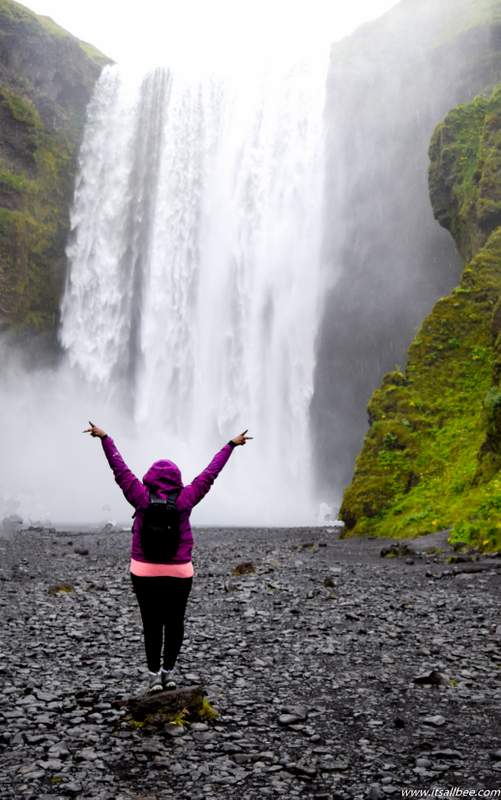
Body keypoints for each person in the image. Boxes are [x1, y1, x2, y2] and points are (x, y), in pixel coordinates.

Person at [84, 422, 252, 692]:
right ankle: (168, 673)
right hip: (179, 571)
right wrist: (231, 444)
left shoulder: (139, 495)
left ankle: (153, 678)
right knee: (174, 622)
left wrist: (105, 438)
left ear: (150, 477)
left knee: (151, 623)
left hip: (143, 569)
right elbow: (211, 473)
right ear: (176, 478)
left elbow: (120, 469)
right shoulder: (186, 498)